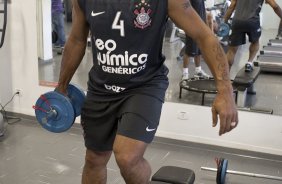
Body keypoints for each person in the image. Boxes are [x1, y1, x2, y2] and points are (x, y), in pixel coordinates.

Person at [56, 0, 238, 183]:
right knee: (94, 158)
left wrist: (225, 92)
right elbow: (77, 39)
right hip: (101, 88)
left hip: (144, 86)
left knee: (127, 158)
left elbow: (204, 36)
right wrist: (61, 86)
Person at [224, 0, 282, 72]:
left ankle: (225, 75)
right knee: (255, 42)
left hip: (237, 22)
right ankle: (249, 62)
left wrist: (224, 21)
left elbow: (231, 6)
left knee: (232, 50)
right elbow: (275, 6)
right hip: (252, 21)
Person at [182, 0, 212, 80]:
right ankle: (185, 73)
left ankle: (198, 71)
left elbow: (202, 12)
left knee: (199, 50)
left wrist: (206, 25)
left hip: (201, 26)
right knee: (189, 51)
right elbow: (184, 9)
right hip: (191, 26)